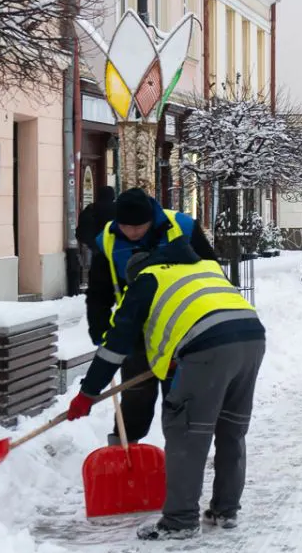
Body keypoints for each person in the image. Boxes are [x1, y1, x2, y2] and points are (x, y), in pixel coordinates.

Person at [67, 234, 265, 540]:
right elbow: (195, 313)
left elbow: (115, 346)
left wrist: (87, 393)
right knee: (231, 429)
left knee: (186, 431)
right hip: (251, 337)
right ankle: (226, 510)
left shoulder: (147, 280)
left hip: (208, 346)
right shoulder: (202, 266)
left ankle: (180, 521)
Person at [86, 188, 217, 444]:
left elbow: (211, 270)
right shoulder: (108, 241)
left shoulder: (183, 228)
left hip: (181, 326)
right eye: (126, 226)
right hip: (136, 329)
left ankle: (184, 450)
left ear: (151, 218)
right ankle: (124, 451)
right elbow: (98, 292)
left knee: (179, 394)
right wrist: (100, 329)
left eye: (139, 226)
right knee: (135, 393)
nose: (133, 232)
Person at [72, 185, 117, 297]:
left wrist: (87, 242)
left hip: (93, 246)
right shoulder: (117, 209)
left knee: (95, 270)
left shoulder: (91, 208)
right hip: (113, 245)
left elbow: (82, 228)